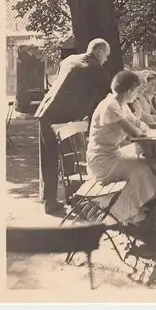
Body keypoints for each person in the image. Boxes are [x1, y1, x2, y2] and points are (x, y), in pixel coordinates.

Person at [35, 38, 111, 214]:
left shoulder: (69, 60)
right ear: (99, 51)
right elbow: (108, 97)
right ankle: (74, 197)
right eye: (106, 55)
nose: (106, 60)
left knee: (49, 159)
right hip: (62, 118)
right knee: (69, 156)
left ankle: (50, 200)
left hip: (45, 111)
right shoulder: (95, 68)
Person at [86, 70, 156, 225]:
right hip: (102, 160)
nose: (138, 95)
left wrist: (154, 126)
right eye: (137, 91)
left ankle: (140, 207)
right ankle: (129, 214)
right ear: (130, 91)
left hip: (112, 153)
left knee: (154, 164)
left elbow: (137, 123)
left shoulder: (120, 104)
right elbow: (133, 132)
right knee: (147, 167)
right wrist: (146, 134)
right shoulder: (111, 106)